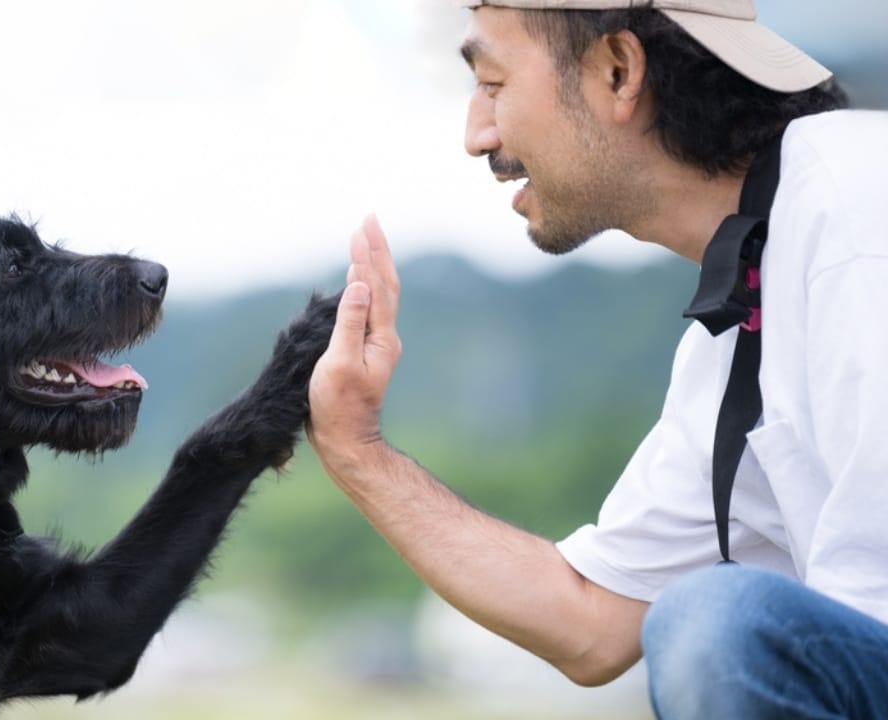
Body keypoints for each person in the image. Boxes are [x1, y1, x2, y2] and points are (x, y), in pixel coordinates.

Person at [305, 1, 888, 718]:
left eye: (491, 82)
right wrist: (355, 448)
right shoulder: (740, 321)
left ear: (618, 72)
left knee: (719, 619)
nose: (475, 133)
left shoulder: (860, 208)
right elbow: (591, 622)